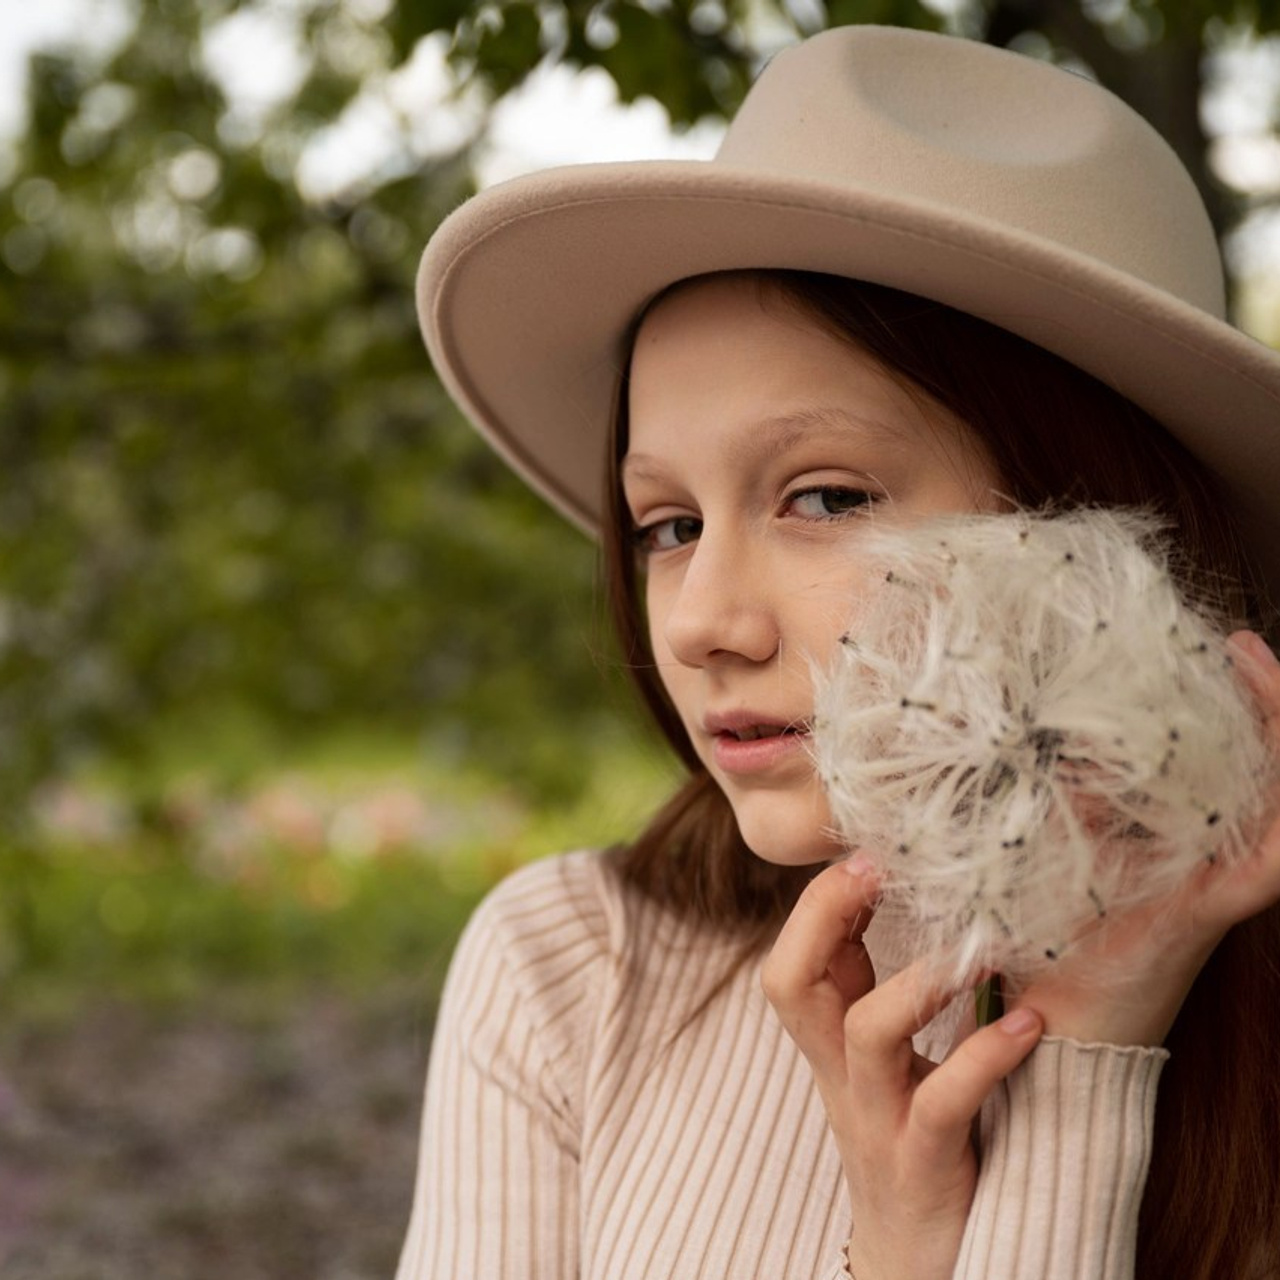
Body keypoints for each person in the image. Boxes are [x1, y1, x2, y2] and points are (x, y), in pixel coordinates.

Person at [397, 25, 1280, 1280]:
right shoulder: (572, 965)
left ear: (1098, 539)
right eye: (668, 523)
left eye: (820, 497)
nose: (701, 619)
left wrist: (1088, 1063)